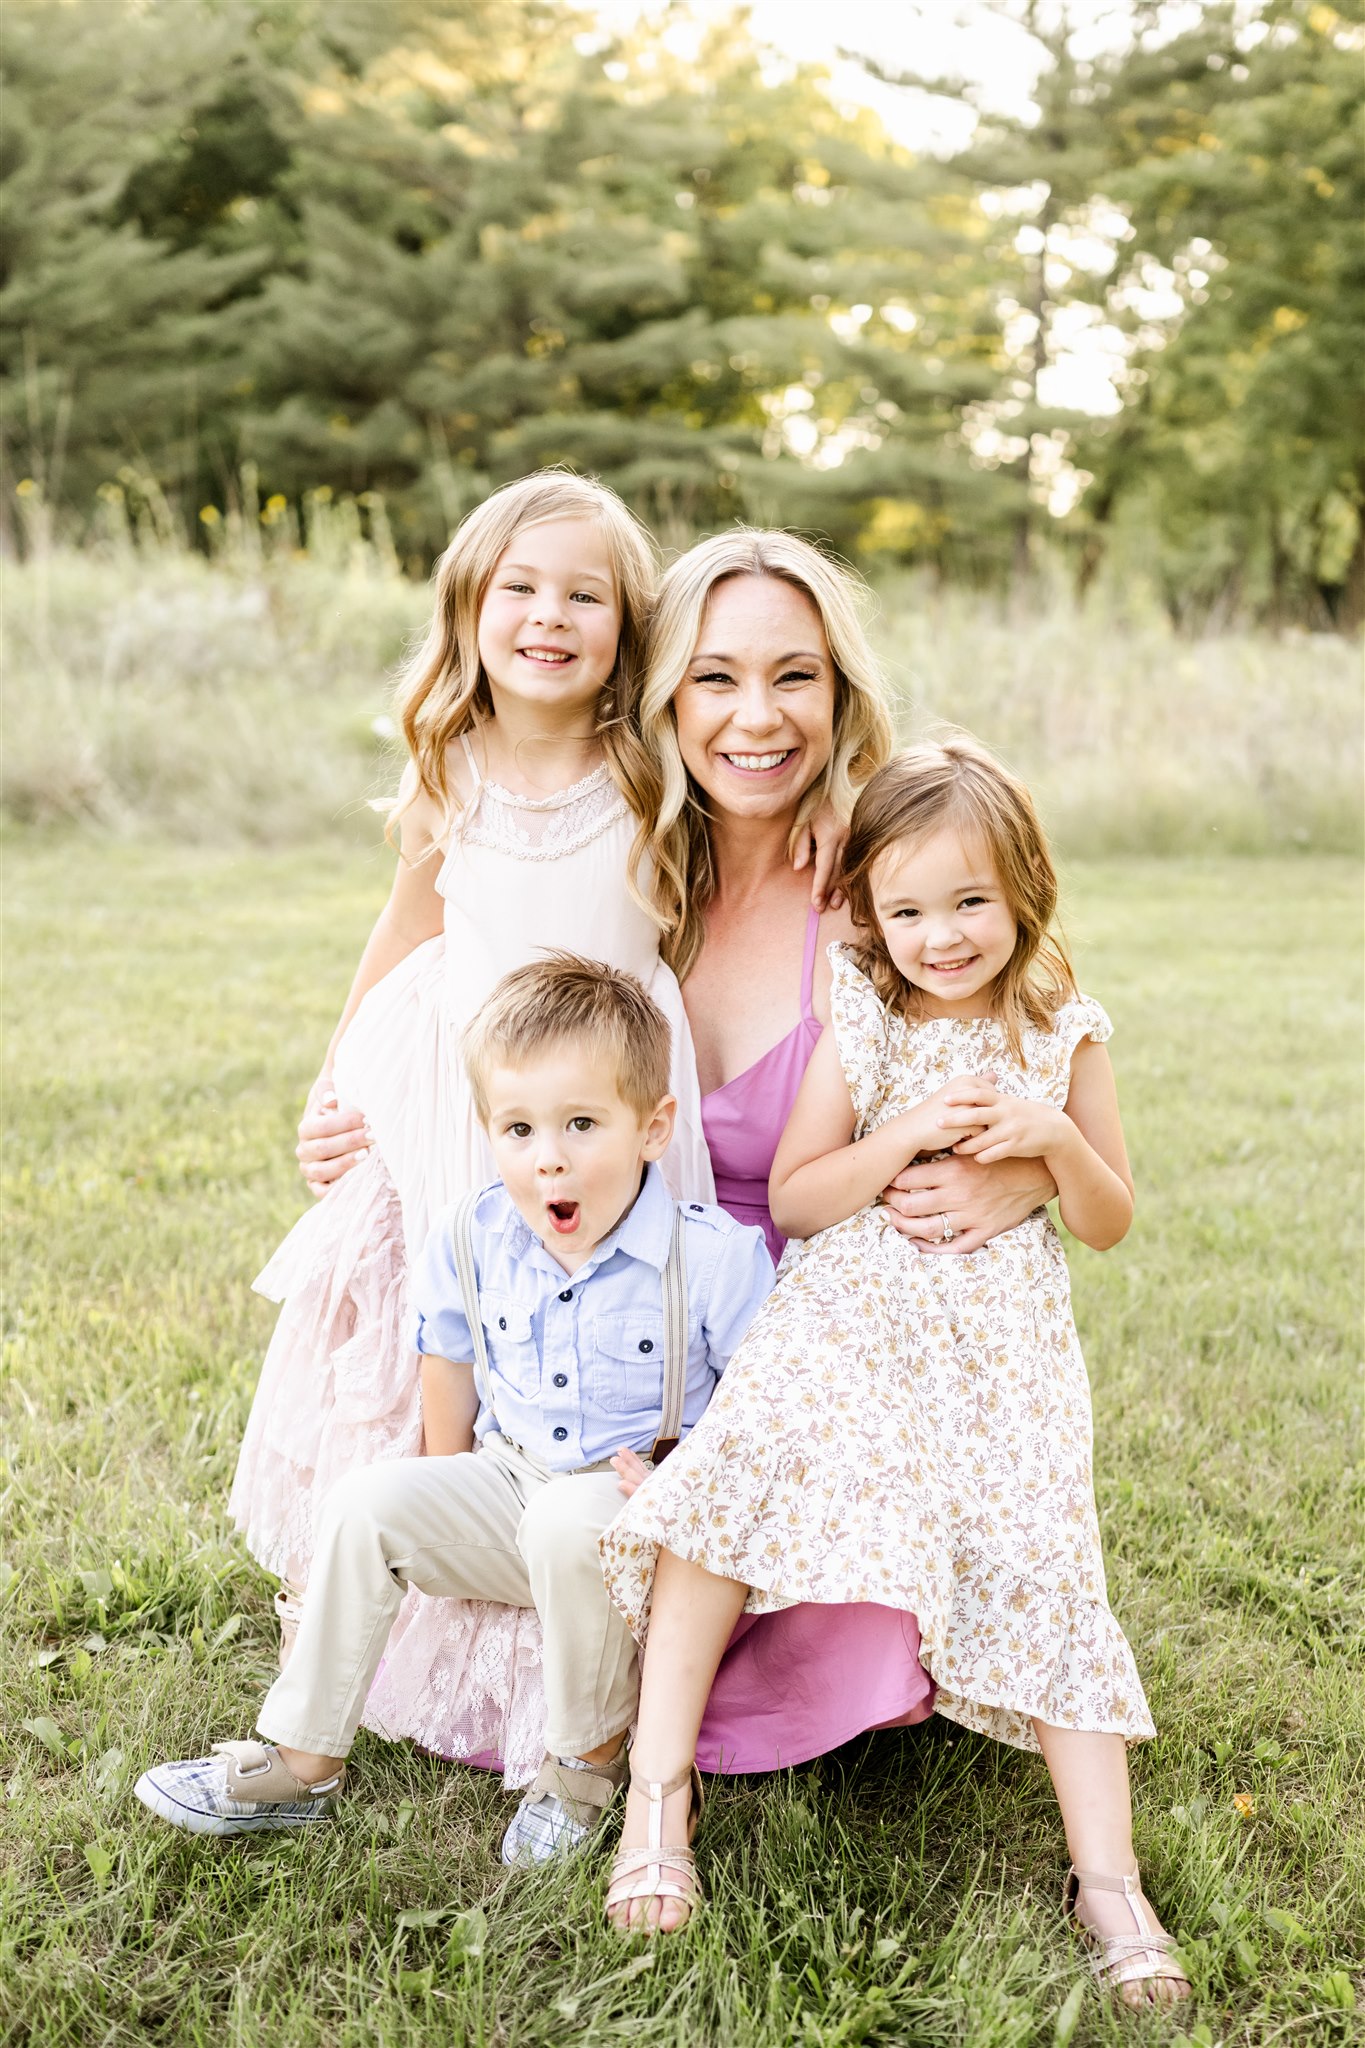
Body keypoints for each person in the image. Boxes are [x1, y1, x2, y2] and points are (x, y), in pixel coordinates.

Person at [599, 736, 1191, 2011]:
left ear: (1027, 888)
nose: (943, 934)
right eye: (910, 907)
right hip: (852, 1320)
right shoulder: (860, 1018)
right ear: (867, 910)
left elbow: (1111, 1216)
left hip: (1002, 1347)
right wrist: (907, 1131)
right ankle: (659, 1790)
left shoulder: (1061, 1030)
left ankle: (1109, 1880)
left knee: (1045, 1550)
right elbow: (807, 1198)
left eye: (972, 900)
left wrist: (1046, 1144)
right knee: (734, 1480)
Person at [228, 469, 717, 1676]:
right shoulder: (452, 762)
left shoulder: (651, 767)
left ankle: (576, 1601)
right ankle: (393, 1588)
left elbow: (709, 919)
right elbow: (404, 927)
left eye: (585, 595)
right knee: (426, 1325)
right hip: (457, 1093)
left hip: (605, 1096)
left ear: (626, 631)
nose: (550, 615)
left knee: (591, 1329)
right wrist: (333, 1079)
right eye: (522, 588)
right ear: (470, 605)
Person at [135, 957, 773, 1858]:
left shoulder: (712, 1258)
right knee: (368, 1500)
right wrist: (442, 1487)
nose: (546, 1154)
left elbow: (763, 1405)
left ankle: (584, 1766)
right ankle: (301, 1760)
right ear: (489, 1134)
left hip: (639, 1512)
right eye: (518, 1128)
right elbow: (449, 1358)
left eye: (581, 1124)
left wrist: (686, 1474)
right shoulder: (472, 1237)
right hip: (513, 1484)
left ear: (653, 1127)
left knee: (564, 1518)